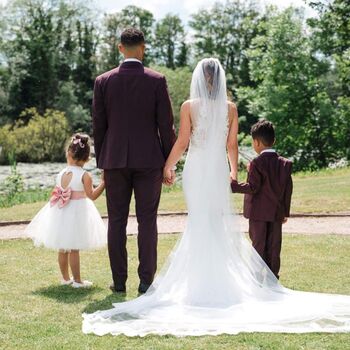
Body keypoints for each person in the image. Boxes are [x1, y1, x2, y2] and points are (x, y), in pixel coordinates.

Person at [83, 58, 350, 336]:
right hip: (217, 168)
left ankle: (197, 281)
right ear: (220, 79)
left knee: (198, 220)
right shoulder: (230, 108)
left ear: (200, 78)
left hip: (197, 169)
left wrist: (167, 165)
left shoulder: (189, 106)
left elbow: (183, 141)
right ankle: (218, 279)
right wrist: (233, 172)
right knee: (215, 222)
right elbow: (231, 144)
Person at [92, 28, 176, 294]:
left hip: (114, 161)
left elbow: (99, 126)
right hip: (149, 161)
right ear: (143, 48)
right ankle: (146, 281)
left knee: (116, 220)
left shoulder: (103, 81)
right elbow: (166, 126)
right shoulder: (156, 80)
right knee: (147, 220)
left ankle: (119, 282)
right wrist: (168, 163)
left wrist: (103, 160)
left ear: (120, 48)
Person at [25, 134, 106, 288]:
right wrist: (103, 183)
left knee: (63, 247)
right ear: (87, 158)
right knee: (74, 247)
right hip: (77, 213)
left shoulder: (61, 173)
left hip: (61, 212)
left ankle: (65, 278)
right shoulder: (85, 175)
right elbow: (92, 195)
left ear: (68, 153)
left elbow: (60, 190)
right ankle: (77, 281)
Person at [231, 120, 293, 279]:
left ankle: (257, 277)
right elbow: (288, 189)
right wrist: (285, 211)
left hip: (258, 213)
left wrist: (233, 185)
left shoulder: (256, 163)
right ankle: (273, 277)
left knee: (258, 244)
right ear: (274, 140)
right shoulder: (284, 164)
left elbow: (253, 187)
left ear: (257, 142)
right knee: (274, 245)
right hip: (276, 213)